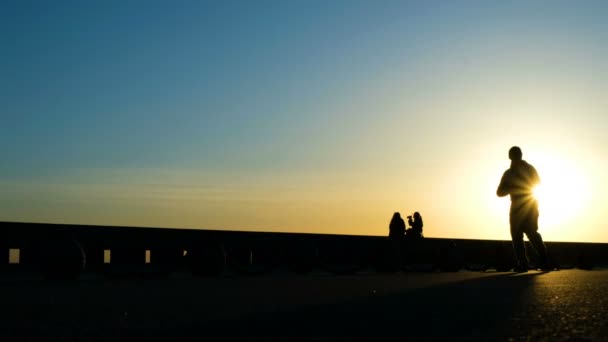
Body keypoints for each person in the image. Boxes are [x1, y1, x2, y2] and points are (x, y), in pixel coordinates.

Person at [496, 146, 549, 272]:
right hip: (518, 206)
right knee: (517, 235)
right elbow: (499, 192)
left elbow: (537, 183)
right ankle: (524, 263)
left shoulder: (526, 170)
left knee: (531, 233)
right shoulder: (509, 173)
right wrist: (512, 188)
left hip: (529, 203)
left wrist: (516, 187)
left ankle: (543, 261)